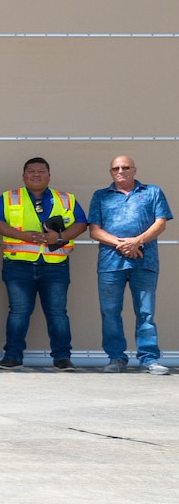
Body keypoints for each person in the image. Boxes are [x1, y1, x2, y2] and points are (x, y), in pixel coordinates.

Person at [0, 156, 87, 370]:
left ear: (49, 175)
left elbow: (81, 223)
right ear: (23, 176)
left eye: (41, 171)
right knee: (18, 312)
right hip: (18, 265)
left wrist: (60, 237)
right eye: (31, 171)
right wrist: (22, 236)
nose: (36, 174)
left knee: (58, 313)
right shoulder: (9, 197)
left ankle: (62, 358)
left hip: (55, 265)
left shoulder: (66, 199)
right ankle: (12, 357)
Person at [87, 155, 170, 374]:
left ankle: (149, 359)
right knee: (110, 312)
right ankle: (116, 358)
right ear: (110, 172)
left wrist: (137, 241)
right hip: (110, 264)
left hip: (145, 262)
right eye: (116, 168)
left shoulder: (152, 192)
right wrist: (123, 244)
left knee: (146, 312)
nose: (120, 171)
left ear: (134, 170)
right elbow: (94, 230)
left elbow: (161, 223)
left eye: (125, 167)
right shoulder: (101, 196)